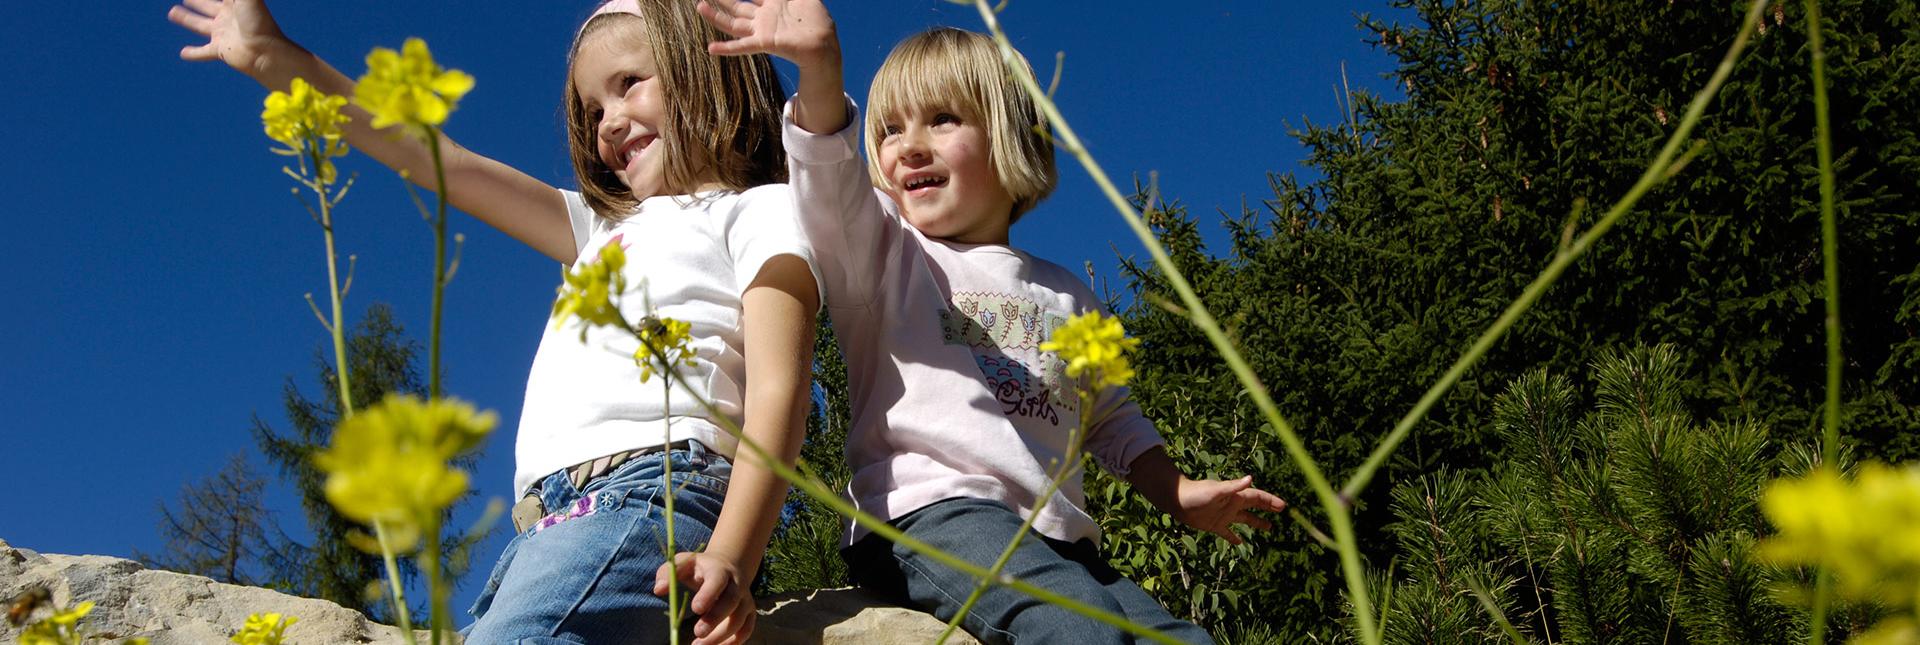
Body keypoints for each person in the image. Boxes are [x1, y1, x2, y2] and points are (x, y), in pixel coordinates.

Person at [168, 0, 819, 642]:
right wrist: (274, 59)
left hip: (657, 487)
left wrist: (735, 552)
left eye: (629, 85)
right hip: (539, 526)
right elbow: (441, 161)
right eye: (594, 110)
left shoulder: (758, 210)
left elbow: (776, 391)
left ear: (705, 71)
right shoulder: (600, 228)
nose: (609, 123)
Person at [697, 2, 1288, 643]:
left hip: (1058, 539)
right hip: (932, 515)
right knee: (1074, 633)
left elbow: (1112, 418)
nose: (909, 145)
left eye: (943, 119)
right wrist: (819, 70)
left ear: (1010, 135)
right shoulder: (885, 250)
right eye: (890, 130)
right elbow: (828, 183)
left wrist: (1176, 490)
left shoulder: (1068, 294)